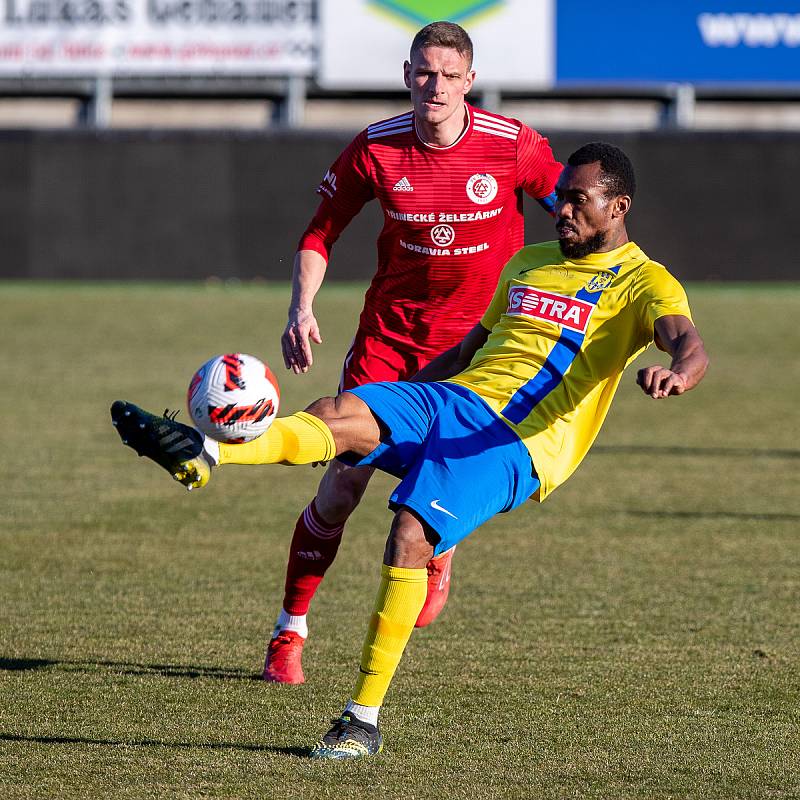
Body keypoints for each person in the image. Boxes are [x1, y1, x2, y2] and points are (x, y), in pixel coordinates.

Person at [111, 142, 709, 760]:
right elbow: (474, 346)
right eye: (559, 196)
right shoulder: (528, 262)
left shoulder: (646, 282)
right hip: (454, 397)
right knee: (339, 413)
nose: (562, 209)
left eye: (578, 201)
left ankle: (361, 717)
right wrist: (406, 395)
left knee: (409, 533)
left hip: (515, 441)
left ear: (619, 206)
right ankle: (205, 454)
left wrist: (678, 374)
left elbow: (687, 344)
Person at [269, 21, 562, 683]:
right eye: (424, 73)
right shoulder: (376, 148)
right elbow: (320, 233)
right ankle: (289, 631)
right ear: (406, 74)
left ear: (469, 82)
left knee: (433, 496)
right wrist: (301, 308)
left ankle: (439, 545)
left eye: (448, 76)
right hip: (389, 346)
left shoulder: (511, 145)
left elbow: (576, 212)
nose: (435, 87)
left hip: (477, 356)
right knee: (341, 487)